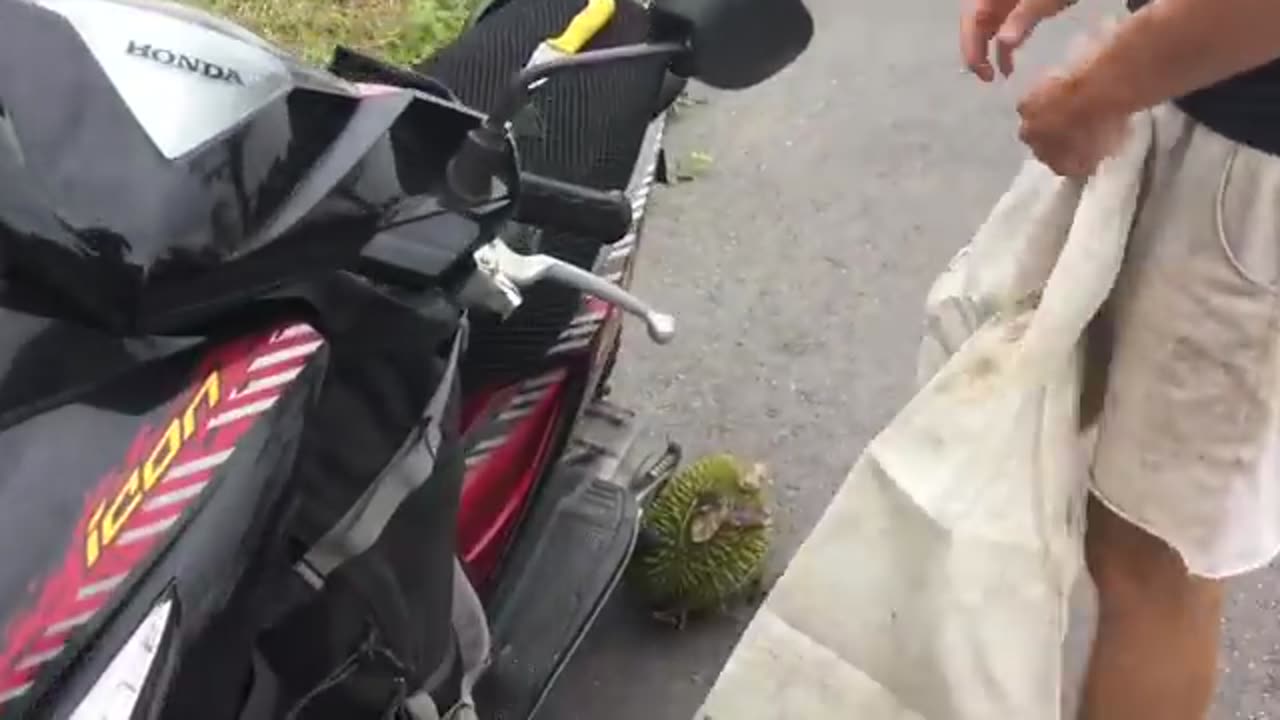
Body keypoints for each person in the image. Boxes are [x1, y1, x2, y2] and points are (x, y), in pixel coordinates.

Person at [959, 0, 1280, 718]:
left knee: (1157, 564)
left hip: (1253, 174)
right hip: (1188, 100)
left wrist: (1097, 90)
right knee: (1104, 512)